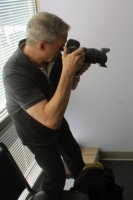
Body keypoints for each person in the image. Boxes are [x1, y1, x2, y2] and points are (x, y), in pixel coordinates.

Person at [3, 12, 90, 191]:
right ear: (42, 45)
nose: (63, 50)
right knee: (55, 175)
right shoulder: (14, 72)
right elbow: (48, 120)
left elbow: (67, 87)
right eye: (60, 46)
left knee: (75, 158)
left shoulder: (53, 58)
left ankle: (87, 192)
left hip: (57, 119)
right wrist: (67, 71)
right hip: (36, 133)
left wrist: (75, 73)